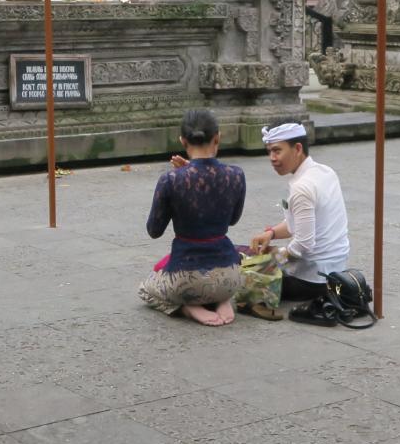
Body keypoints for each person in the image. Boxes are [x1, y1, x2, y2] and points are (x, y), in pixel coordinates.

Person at [139, 109, 247, 326]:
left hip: (187, 279)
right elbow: (232, 220)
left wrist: (178, 190)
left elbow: (154, 230)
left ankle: (189, 307)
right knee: (220, 280)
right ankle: (223, 299)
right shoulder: (236, 175)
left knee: (145, 289)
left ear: (182, 140)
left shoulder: (170, 180)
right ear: (217, 138)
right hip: (231, 277)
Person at [247, 122, 349, 317]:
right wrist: (271, 233)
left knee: (240, 267)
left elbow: (303, 243)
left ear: (298, 148)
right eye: (269, 152)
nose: (272, 158)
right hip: (336, 272)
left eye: (277, 151)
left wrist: (273, 259)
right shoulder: (326, 172)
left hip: (310, 282)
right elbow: (304, 225)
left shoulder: (302, 187)